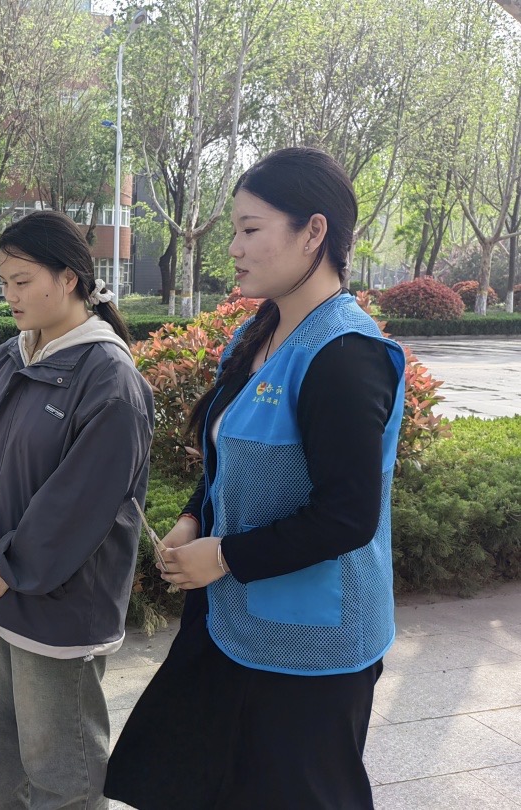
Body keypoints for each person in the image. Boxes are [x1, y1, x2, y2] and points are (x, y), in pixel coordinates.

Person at [104, 147, 406, 809]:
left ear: (314, 232)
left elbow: (348, 516)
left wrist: (223, 557)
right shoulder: (260, 333)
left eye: (250, 229)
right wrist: (194, 517)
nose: (234, 249)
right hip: (231, 620)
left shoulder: (345, 355)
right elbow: (233, 457)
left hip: (311, 646)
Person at [0, 210, 155, 809]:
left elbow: (82, 503)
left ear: (69, 279)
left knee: (61, 770)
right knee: (5, 751)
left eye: (22, 281)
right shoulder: (12, 355)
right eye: (4, 282)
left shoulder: (108, 377)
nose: (9, 295)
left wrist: (12, 563)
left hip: (57, 606)